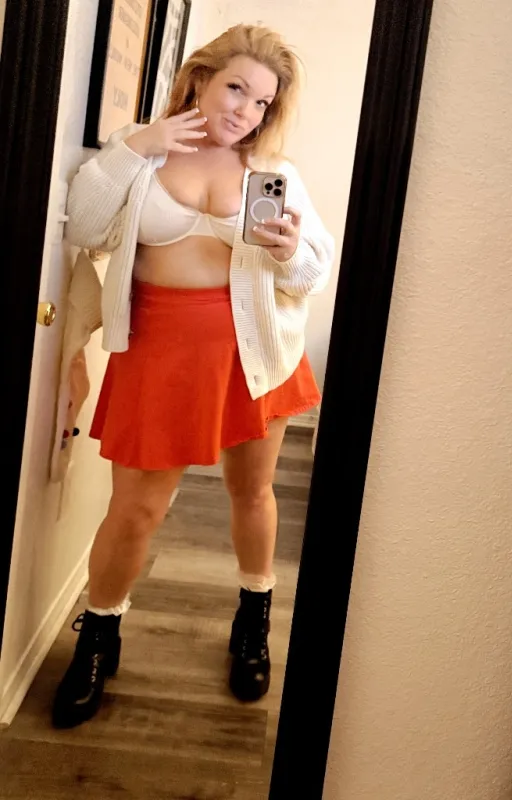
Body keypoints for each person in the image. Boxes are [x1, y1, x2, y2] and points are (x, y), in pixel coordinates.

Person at [52, 24, 334, 729]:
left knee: (252, 492)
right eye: (236, 88)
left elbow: (312, 273)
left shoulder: (272, 171)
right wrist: (134, 147)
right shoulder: (143, 152)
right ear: (201, 78)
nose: (245, 110)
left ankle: (253, 617)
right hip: (158, 354)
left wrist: (290, 249)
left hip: (255, 354)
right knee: (135, 511)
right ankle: (99, 633)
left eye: (261, 101)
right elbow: (83, 226)